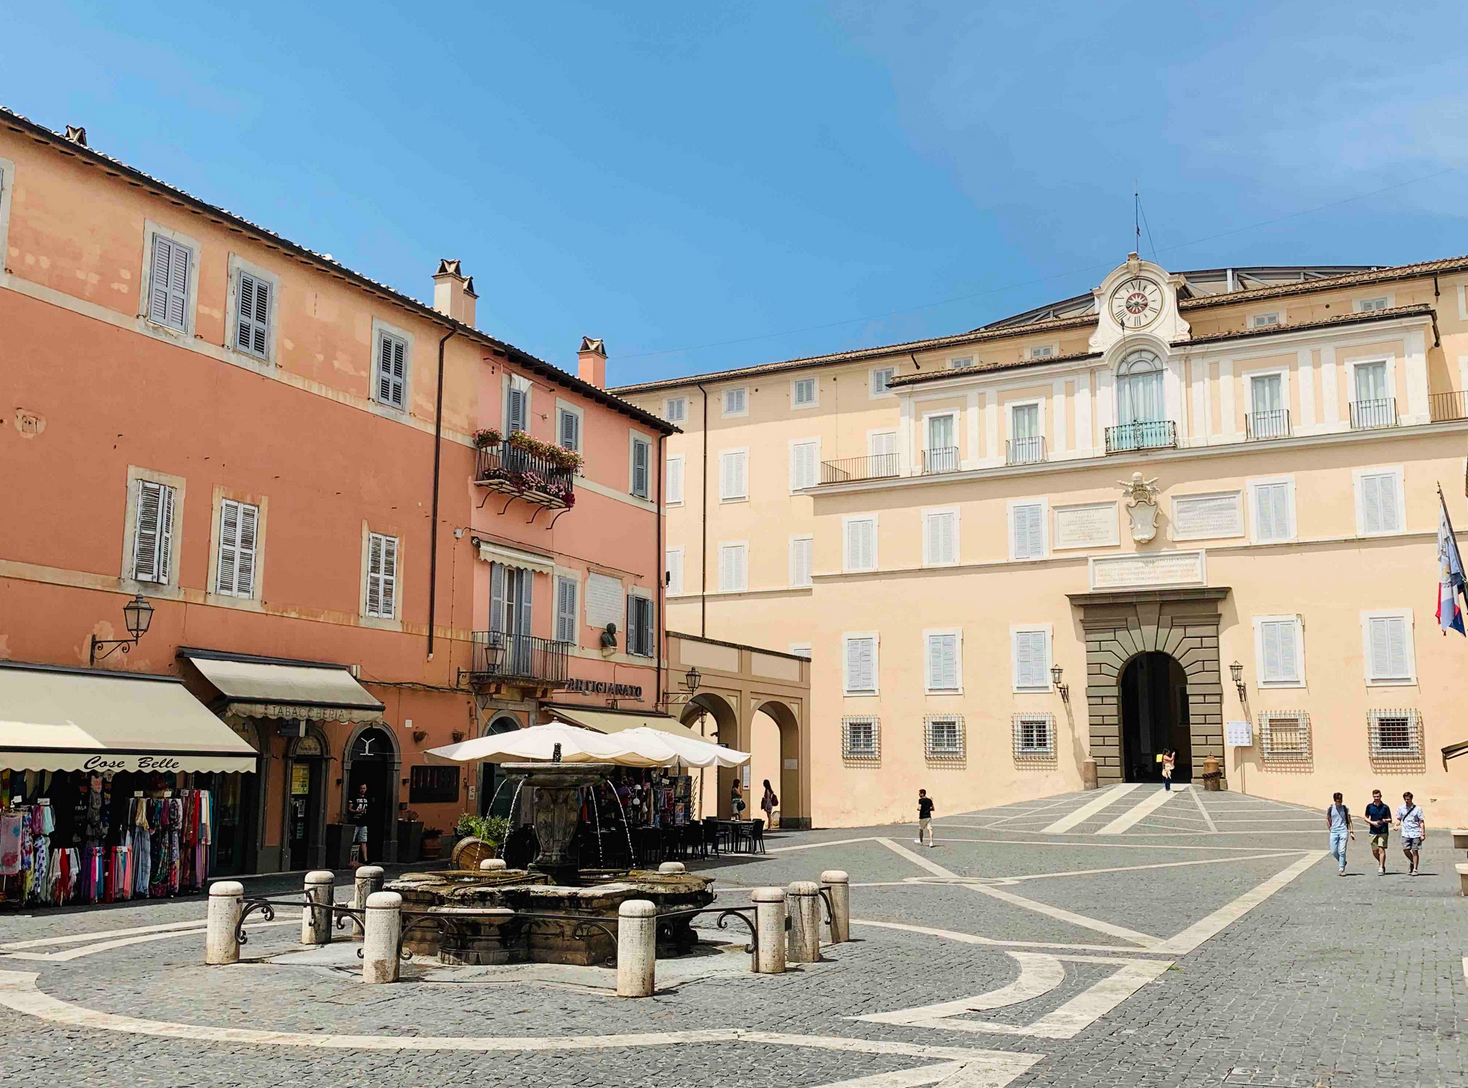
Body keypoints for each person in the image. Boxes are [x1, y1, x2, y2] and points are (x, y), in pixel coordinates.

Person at [1395, 791, 1426, 876]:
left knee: (1415, 850)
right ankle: (1412, 861)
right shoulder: (1401, 808)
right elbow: (1399, 819)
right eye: (1405, 799)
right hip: (1405, 832)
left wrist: (1423, 833)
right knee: (1405, 849)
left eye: (1408, 799)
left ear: (1411, 799)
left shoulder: (1417, 809)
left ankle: (1415, 869)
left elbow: (1421, 821)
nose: (1406, 801)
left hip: (1416, 832)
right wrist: (1396, 824)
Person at [1363, 789, 1392, 875]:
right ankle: (1381, 863)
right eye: (1375, 797)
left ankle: (1381, 868)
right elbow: (1366, 817)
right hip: (1373, 831)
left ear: (1381, 796)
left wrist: (1384, 820)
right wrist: (1372, 823)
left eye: (1378, 796)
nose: (1376, 798)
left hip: (1383, 831)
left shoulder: (1385, 807)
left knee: (1381, 849)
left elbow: (1390, 819)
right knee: (1374, 851)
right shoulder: (1369, 806)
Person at [1325, 792, 1353, 876]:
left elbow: (1349, 820)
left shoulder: (1345, 808)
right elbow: (1327, 818)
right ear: (1334, 800)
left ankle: (1341, 869)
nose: (1339, 802)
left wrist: (1351, 831)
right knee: (1333, 851)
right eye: (1338, 801)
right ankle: (1343, 862)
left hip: (1343, 830)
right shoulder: (1330, 808)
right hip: (1334, 831)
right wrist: (1330, 828)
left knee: (1342, 850)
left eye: (1341, 800)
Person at [348, 783, 371, 865]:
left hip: (364, 822)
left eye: (364, 788)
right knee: (352, 840)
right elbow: (349, 808)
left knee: (363, 841)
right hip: (355, 822)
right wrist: (356, 812)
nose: (362, 790)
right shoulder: (354, 797)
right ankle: (350, 859)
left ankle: (365, 859)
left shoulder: (367, 798)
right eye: (361, 788)